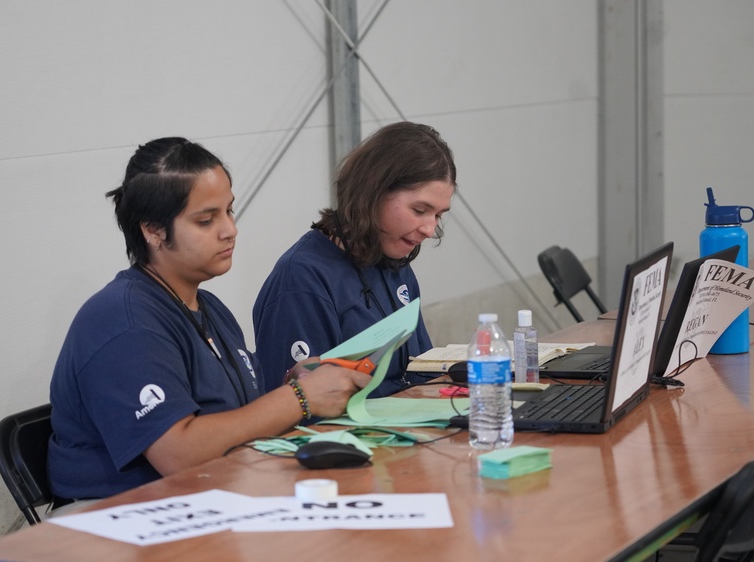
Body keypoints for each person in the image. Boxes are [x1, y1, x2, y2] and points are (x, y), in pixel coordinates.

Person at [47, 137, 369, 502]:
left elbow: (236, 417)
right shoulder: (124, 320)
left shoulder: (209, 308)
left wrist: (293, 382)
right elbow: (177, 453)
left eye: (229, 211)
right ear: (152, 230)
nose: (229, 229)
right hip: (120, 517)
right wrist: (299, 398)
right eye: (206, 219)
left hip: (212, 493)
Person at [253, 122, 456, 398]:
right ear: (373, 192)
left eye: (438, 215)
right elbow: (294, 410)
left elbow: (419, 373)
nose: (430, 229)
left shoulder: (394, 261)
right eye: (419, 210)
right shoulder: (301, 278)